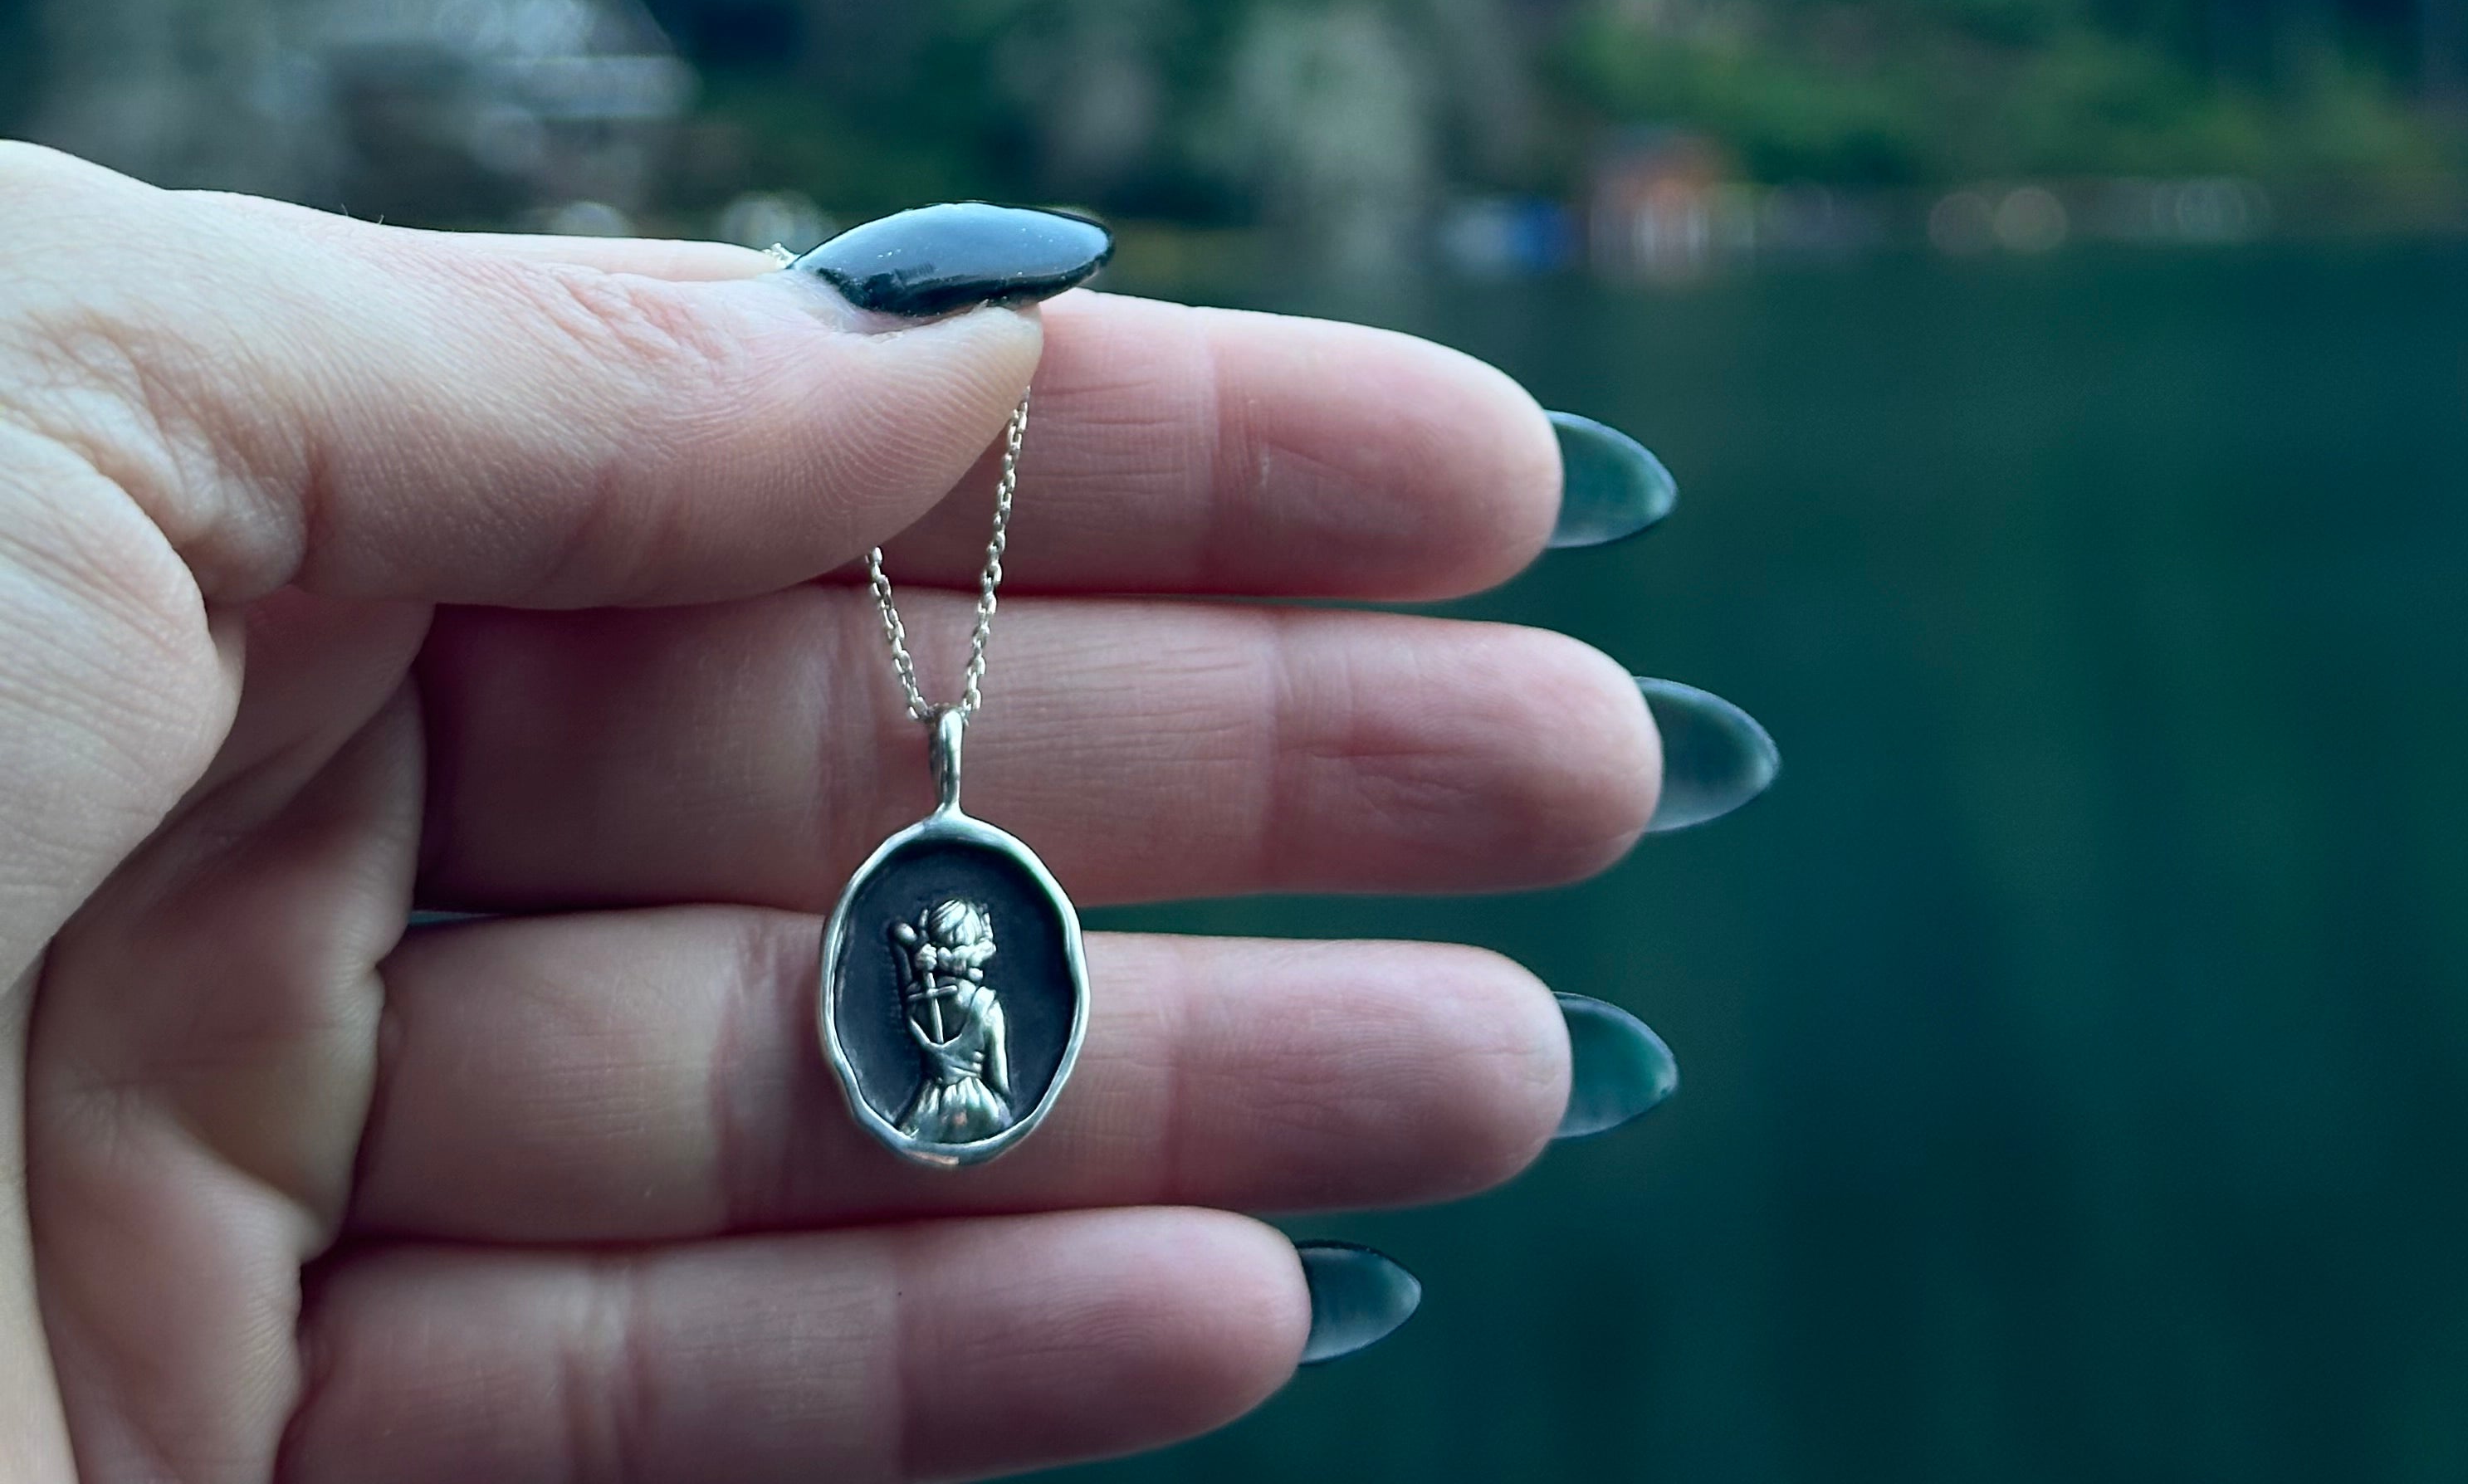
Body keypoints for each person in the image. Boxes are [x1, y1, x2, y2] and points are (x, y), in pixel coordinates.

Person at [0, 141, 1715, 1480]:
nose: (957, 940)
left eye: (964, 935)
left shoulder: (955, 950)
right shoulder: (921, 943)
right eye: (955, 934)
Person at [892, 899, 1014, 1145]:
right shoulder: (986, 1005)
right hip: (980, 1108)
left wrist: (912, 954)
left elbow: (896, 934)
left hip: (928, 1108)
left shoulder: (917, 999)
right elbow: (999, 1077)